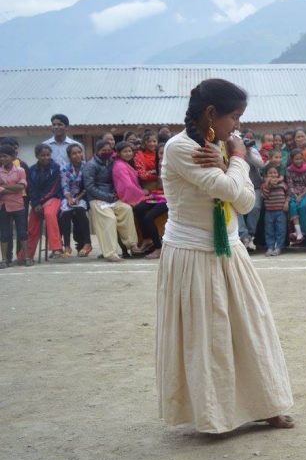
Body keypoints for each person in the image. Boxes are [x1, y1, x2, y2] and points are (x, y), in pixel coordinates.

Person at [156, 78, 293, 433]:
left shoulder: (216, 147)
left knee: (251, 328)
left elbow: (244, 200)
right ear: (212, 113)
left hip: (229, 249)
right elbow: (237, 192)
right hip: (193, 253)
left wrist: (229, 160)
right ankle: (214, 415)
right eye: (235, 117)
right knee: (208, 335)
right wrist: (236, 159)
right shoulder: (180, 148)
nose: (237, 127)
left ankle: (267, 404)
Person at [83, 140, 139, 262]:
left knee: (126, 209)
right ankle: (110, 253)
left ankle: (132, 244)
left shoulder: (111, 162)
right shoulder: (90, 165)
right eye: (104, 150)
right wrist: (107, 196)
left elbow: (116, 180)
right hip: (97, 199)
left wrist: (115, 194)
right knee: (110, 219)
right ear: (97, 151)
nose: (107, 152)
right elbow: (89, 187)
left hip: (112, 198)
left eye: (109, 150)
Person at [24, 144, 64, 263]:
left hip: (53, 198)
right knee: (32, 225)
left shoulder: (55, 168)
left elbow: (52, 188)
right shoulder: (31, 170)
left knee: (49, 214)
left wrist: (41, 202)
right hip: (37, 202)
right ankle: (26, 255)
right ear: (37, 156)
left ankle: (56, 247)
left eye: (48, 155)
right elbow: (31, 188)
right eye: (42, 155)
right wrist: (36, 204)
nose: (46, 157)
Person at [59, 144, 92, 258]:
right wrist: (69, 199)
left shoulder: (87, 166)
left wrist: (77, 198)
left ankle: (87, 243)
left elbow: (88, 186)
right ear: (69, 156)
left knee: (80, 211)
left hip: (82, 196)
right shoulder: (64, 168)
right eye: (74, 153)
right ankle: (67, 246)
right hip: (67, 197)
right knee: (65, 213)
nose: (78, 155)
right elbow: (64, 186)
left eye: (79, 152)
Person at [0, 145, 28, 268]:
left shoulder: (20, 170)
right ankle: (5, 259)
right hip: (4, 206)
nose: (2, 159)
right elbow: (17, 187)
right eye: (0, 156)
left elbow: (21, 187)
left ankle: (26, 257)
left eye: (5, 156)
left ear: (13, 157)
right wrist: (14, 187)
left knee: (22, 232)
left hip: (18, 205)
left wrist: (4, 187)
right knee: (5, 233)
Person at [261, 166, 289, 256]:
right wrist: (267, 184)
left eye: (275, 173)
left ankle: (278, 247)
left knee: (281, 230)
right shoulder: (264, 186)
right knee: (269, 230)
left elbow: (288, 194)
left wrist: (286, 203)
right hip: (269, 211)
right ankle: (270, 247)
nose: (273, 175)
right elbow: (265, 195)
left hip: (281, 211)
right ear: (266, 175)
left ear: (278, 174)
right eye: (270, 173)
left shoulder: (283, 184)